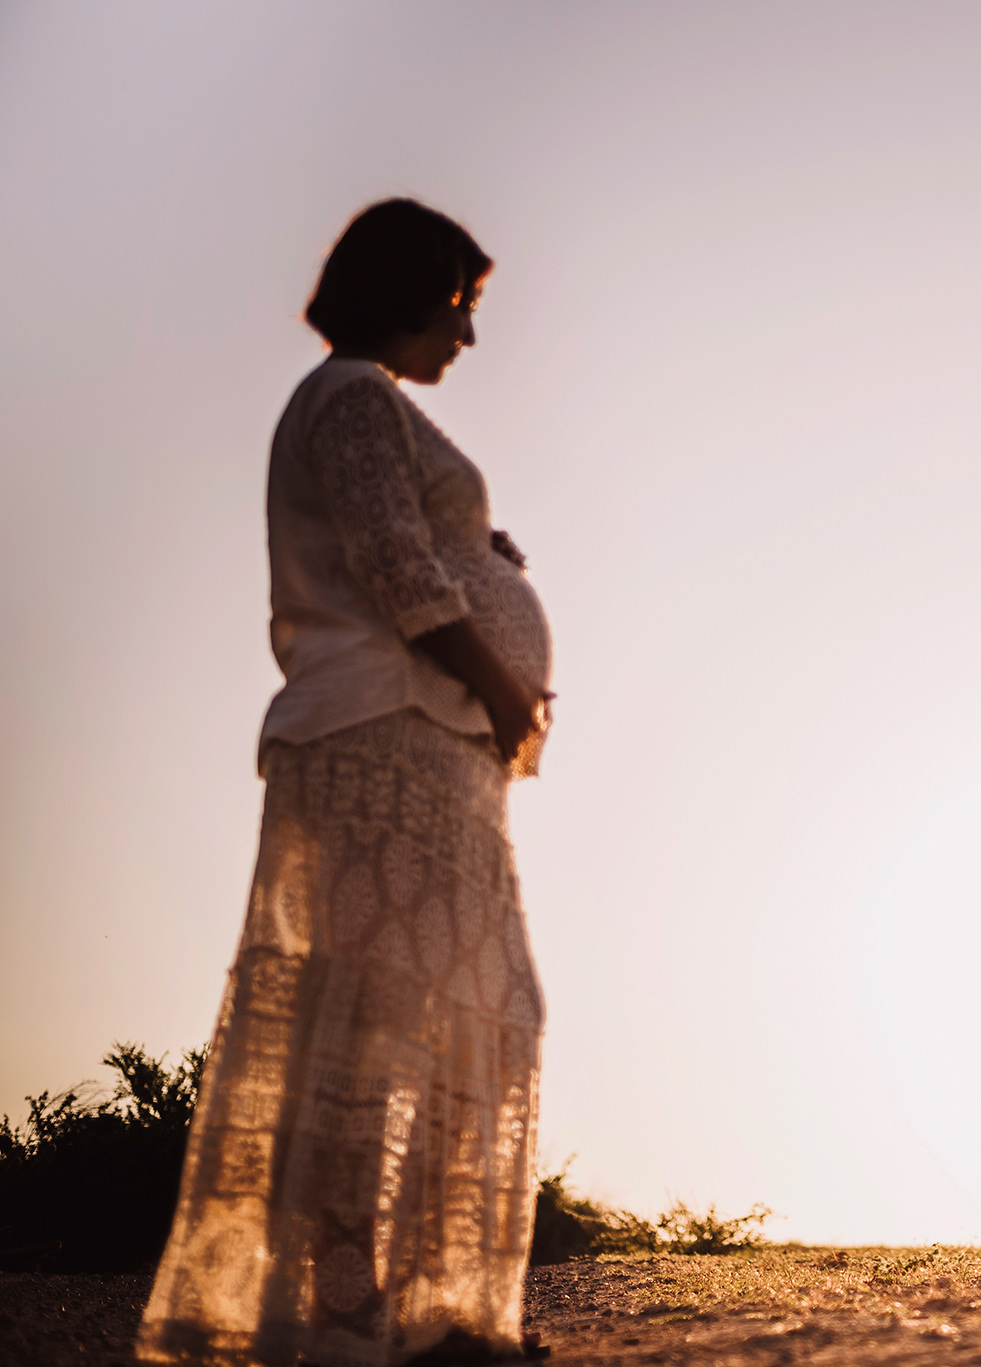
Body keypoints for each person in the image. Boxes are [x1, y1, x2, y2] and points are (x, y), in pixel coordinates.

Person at [137, 199, 554, 1366]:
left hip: (417, 742)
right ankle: (368, 1315)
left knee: (435, 1011)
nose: (465, 338)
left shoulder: (362, 407)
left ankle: (424, 1309)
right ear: (410, 289)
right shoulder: (355, 394)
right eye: (460, 307)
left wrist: (489, 566)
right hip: (381, 735)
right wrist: (506, 684)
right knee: (382, 1021)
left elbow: (414, 549)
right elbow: (394, 569)